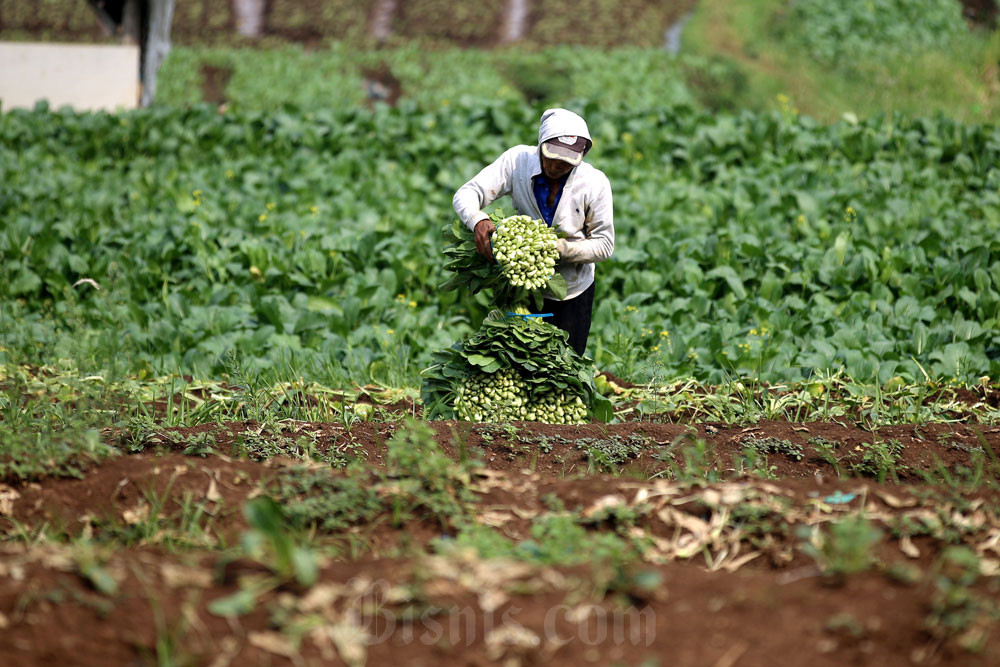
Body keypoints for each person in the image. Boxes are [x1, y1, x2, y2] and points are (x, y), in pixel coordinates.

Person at [452, 108, 614, 356]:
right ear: (540, 145)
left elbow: (604, 245)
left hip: (571, 291)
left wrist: (561, 249)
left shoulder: (594, 183)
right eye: (551, 156)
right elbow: (467, 193)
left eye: (566, 161)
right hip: (519, 289)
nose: (557, 165)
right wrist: (478, 220)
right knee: (516, 361)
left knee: (563, 368)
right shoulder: (516, 161)